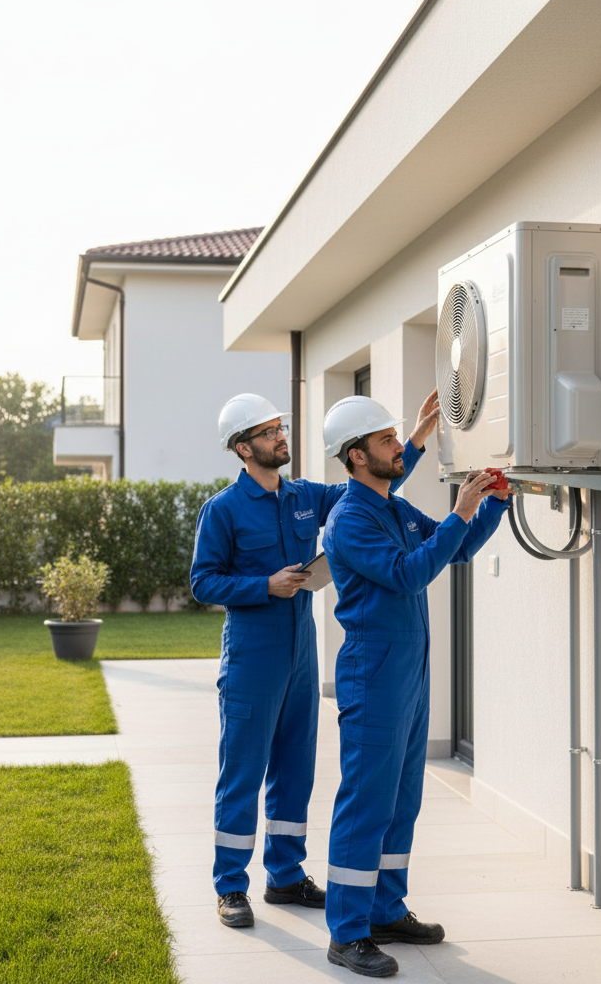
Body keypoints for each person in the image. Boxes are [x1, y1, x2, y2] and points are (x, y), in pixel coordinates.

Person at [190, 390, 440, 929]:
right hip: (252, 656)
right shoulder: (222, 510)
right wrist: (265, 585)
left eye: (281, 428)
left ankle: (285, 875)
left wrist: (414, 439)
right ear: (243, 448)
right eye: (269, 432)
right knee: (242, 772)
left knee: (295, 768)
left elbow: (371, 488)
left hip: (302, 652)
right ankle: (231, 886)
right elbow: (202, 580)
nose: (282, 437)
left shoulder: (305, 496)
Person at [320, 395, 509, 978]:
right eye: (387, 441)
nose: (399, 447)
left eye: (397, 438)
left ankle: (384, 909)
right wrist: (457, 510)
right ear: (356, 456)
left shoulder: (393, 511)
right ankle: (347, 933)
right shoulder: (349, 520)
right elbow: (410, 573)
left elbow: (458, 549)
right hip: (374, 676)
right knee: (366, 803)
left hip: (409, 673)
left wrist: (492, 507)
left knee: (402, 800)